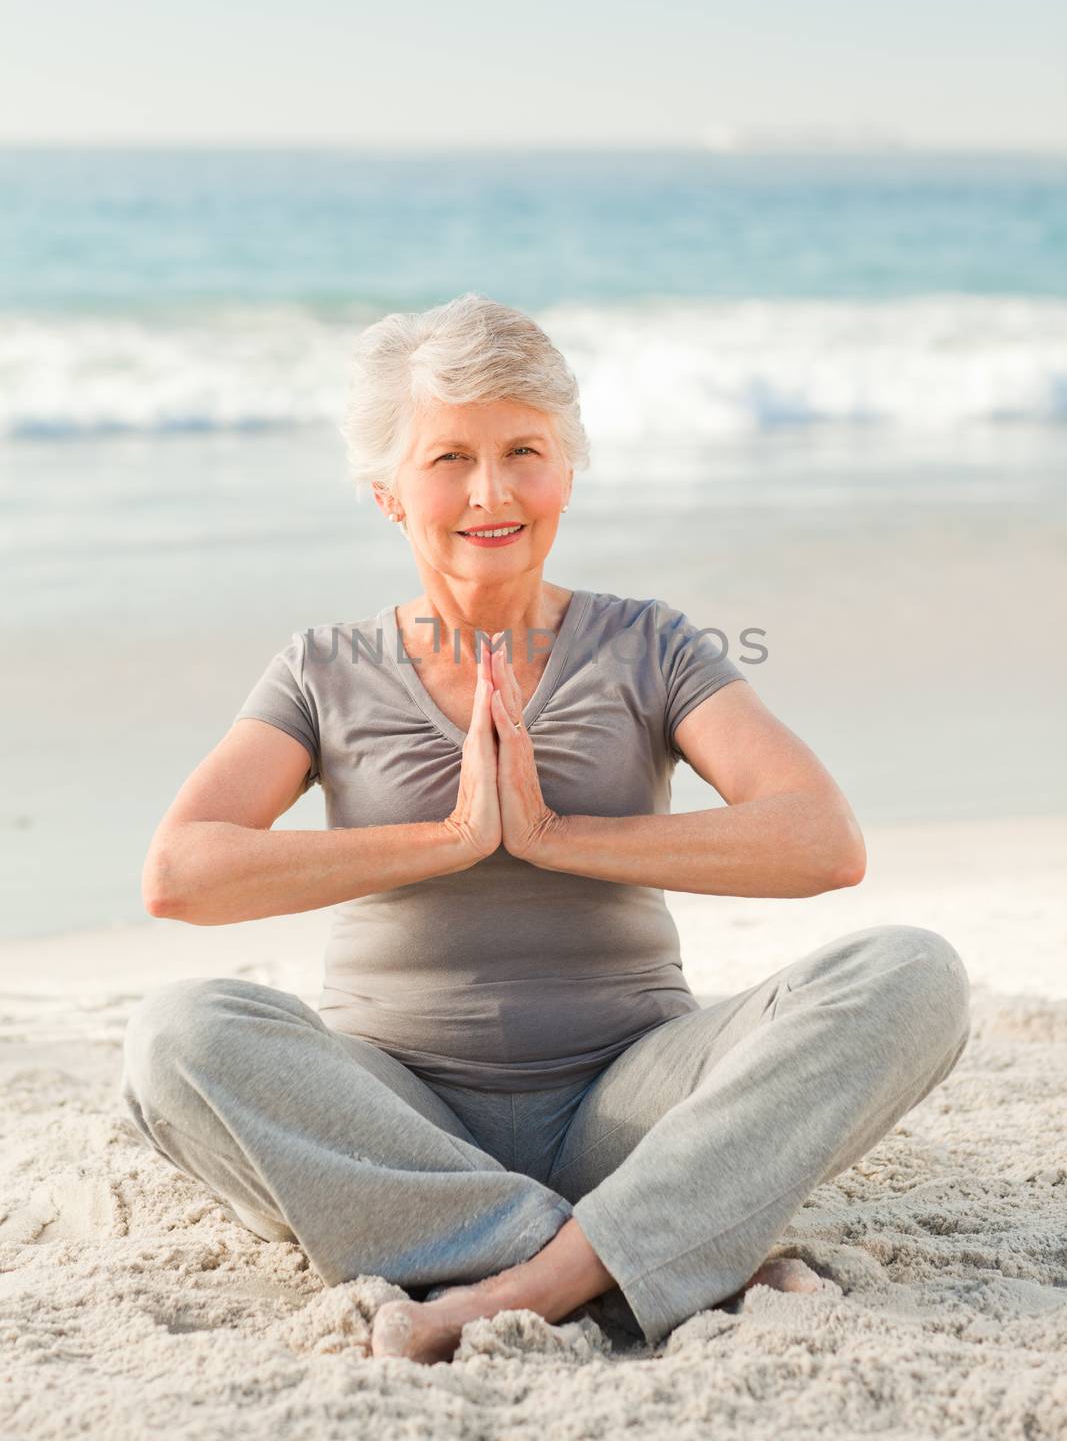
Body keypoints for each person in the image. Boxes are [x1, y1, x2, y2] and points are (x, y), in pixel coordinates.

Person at [121, 292, 971, 1364]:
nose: (491, 491)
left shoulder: (651, 645)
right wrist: (449, 838)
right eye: (448, 459)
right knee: (177, 1038)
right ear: (386, 492)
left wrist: (555, 831)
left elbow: (819, 840)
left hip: (635, 1109)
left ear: (564, 470)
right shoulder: (322, 667)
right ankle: (635, 1254)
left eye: (523, 449)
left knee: (911, 974)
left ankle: (522, 1274)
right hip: (399, 1120)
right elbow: (181, 872)